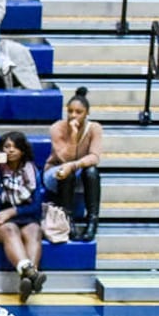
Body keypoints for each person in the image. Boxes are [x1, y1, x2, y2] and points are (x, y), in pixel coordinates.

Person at [0, 130, 44, 302]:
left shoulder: (31, 170)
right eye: (7, 147)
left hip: (24, 216)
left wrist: (12, 211)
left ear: (23, 150)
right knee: (10, 229)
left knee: (34, 230)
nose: (11, 150)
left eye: (15, 147)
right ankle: (32, 275)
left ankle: (27, 278)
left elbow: (36, 207)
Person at [43, 87, 103, 241]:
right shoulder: (57, 128)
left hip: (78, 171)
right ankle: (69, 221)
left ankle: (92, 221)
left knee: (92, 172)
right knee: (66, 170)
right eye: (70, 111)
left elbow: (95, 157)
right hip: (54, 173)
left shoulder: (95, 128)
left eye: (78, 112)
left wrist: (74, 166)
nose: (73, 115)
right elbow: (65, 159)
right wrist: (73, 135)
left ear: (87, 113)